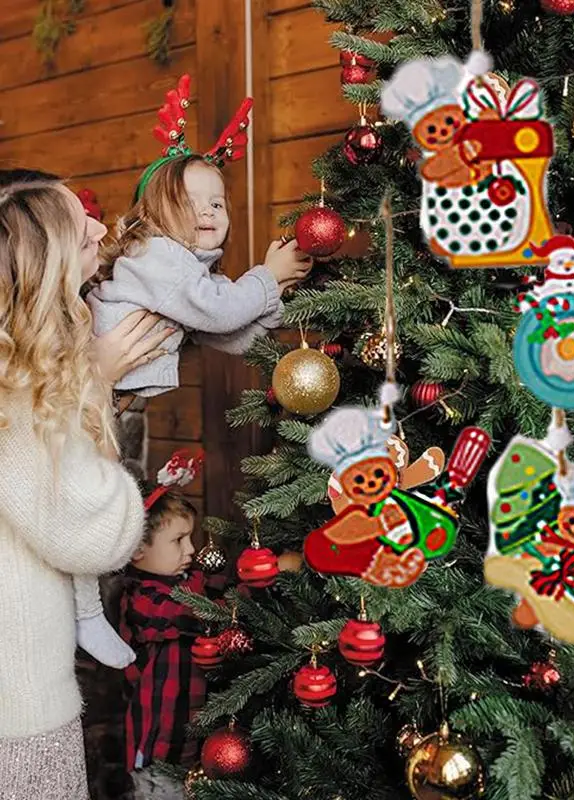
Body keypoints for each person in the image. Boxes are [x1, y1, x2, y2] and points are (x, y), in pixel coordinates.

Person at [0, 168, 167, 799]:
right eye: (80, 224)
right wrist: (92, 389)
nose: (100, 228)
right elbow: (94, 532)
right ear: (38, 260)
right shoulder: (13, 392)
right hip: (15, 718)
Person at [88, 73, 311, 399]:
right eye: (188, 203)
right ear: (150, 216)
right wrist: (268, 275)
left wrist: (278, 289)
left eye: (216, 203)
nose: (207, 212)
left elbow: (236, 337)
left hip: (117, 390)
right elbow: (223, 313)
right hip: (91, 385)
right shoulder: (156, 256)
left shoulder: (192, 275)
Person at [119, 451, 227, 799]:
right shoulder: (141, 599)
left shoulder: (189, 580)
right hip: (158, 750)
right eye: (179, 540)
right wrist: (231, 606)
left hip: (194, 748)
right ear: (137, 549)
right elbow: (187, 614)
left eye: (190, 538)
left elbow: (211, 593)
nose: (192, 549)